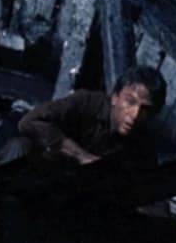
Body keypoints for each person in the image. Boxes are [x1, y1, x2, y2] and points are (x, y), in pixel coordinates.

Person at [12, 66, 167, 168]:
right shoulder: (87, 102)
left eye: (145, 109)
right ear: (115, 97)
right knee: (20, 147)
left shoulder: (143, 144)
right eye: (130, 102)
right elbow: (29, 121)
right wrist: (81, 156)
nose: (135, 115)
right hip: (48, 168)